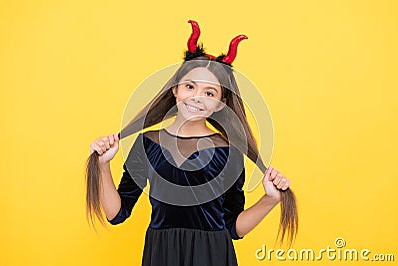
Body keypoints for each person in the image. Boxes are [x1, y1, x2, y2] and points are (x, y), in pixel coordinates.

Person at [86, 20, 297, 266]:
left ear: (220, 103)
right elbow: (116, 213)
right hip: (162, 255)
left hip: (213, 255)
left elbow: (233, 227)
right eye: (190, 86)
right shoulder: (147, 143)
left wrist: (270, 199)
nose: (197, 97)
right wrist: (102, 165)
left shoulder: (228, 152)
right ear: (175, 89)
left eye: (210, 93)